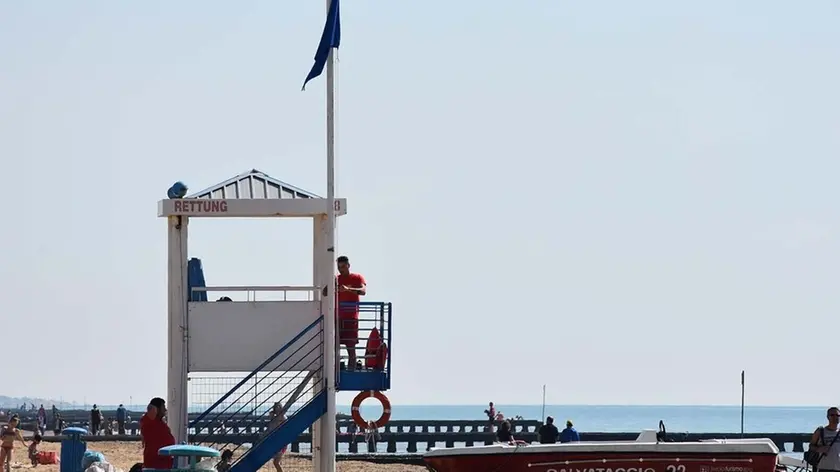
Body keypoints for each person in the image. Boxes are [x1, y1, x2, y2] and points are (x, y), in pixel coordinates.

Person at [335, 255, 366, 370]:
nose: (341, 269)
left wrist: (348, 289)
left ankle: (351, 369)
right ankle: (336, 369)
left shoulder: (357, 278)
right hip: (337, 316)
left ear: (348, 266)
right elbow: (325, 291)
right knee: (334, 344)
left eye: (343, 266)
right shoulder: (336, 279)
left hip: (351, 317)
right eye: (339, 267)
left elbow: (363, 291)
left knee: (350, 346)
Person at [140, 398, 176, 469]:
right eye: (163, 408)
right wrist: (153, 409)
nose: (165, 410)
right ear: (156, 409)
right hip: (155, 462)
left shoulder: (160, 422)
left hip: (165, 461)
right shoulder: (149, 422)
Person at [810, 406, 840, 472]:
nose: (835, 417)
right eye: (832, 415)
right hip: (824, 468)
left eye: (838, 415)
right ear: (828, 417)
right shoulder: (820, 431)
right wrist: (819, 449)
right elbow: (811, 446)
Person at [268, 403, 287, 472]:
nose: (278, 408)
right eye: (276, 407)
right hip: (276, 441)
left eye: (279, 407)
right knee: (276, 462)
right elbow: (271, 427)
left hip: (280, 442)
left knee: (276, 462)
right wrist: (271, 415)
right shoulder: (274, 417)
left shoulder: (283, 417)